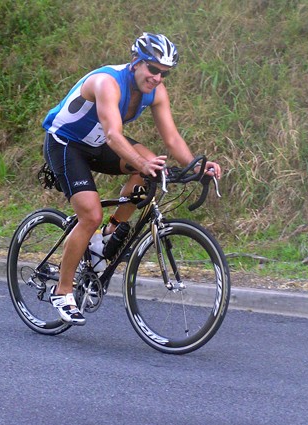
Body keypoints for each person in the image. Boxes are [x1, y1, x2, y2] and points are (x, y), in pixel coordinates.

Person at [42, 32, 221, 325]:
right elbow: (114, 134)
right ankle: (62, 292)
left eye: (164, 73)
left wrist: (196, 168)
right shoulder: (107, 82)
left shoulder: (155, 91)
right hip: (67, 143)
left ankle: (107, 238)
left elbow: (172, 138)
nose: (157, 78)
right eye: (153, 69)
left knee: (150, 167)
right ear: (136, 62)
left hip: (98, 143)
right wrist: (142, 162)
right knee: (90, 214)